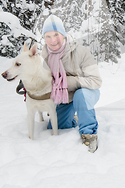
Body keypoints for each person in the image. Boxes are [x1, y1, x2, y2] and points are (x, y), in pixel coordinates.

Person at [41, 15, 102, 152]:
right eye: (48, 36)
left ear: (63, 34)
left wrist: (69, 82)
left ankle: (89, 134)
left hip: (87, 92)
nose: (53, 40)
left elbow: (96, 81)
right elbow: (45, 81)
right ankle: (74, 119)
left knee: (81, 95)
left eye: (56, 35)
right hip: (66, 97)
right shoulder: (45, 56)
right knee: (56, 127)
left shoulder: (81, 52)